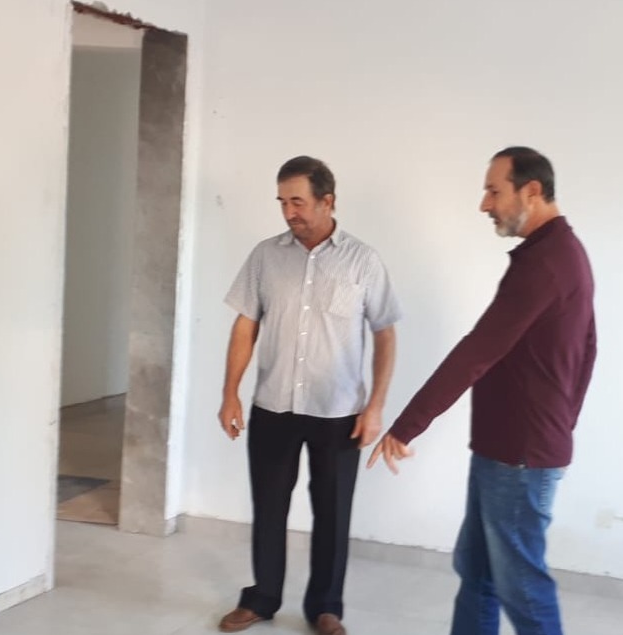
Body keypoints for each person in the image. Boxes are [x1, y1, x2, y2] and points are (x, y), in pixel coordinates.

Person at [369, 147, 596, 635]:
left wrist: (408, 425)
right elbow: (589, 349)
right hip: (509, 449)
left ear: (531, 192)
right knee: (477, 572)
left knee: (523, 589)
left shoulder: (547, 263)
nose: (484, 205)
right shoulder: (561, 253)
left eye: (494, 191)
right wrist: (561, 425)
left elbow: (478, 350)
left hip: (520, 455)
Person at [218, 156, 401, 635]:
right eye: (282, 202)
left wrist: (376, 406)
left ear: (328, 201)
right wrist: (230, 393)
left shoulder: (363, 261)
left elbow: (384, 333)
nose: (288, 212)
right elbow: (245, 325)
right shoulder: (265, 256)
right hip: (273, 406)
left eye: (297, 202)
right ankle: (261, 599)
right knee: (268, 508)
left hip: (338, 412)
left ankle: (326, 608)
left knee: (333, 514)